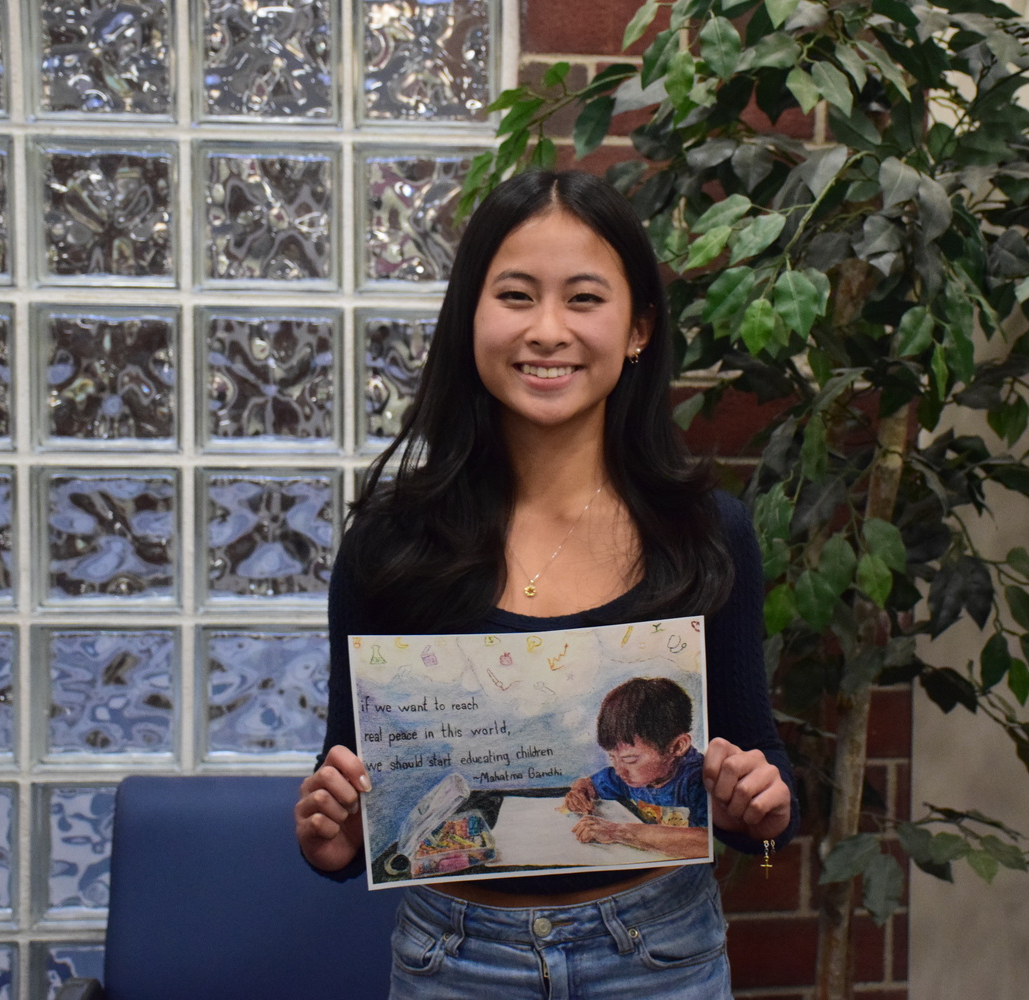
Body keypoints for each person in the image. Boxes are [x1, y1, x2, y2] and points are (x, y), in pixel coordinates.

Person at [294, 169, 797, 999]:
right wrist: (330, 835)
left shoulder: (707, 534)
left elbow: (764, 794)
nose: (549, 330)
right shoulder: (390, 545)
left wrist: (763, 812)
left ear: (637, 328)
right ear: (470, 321)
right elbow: (352, 796)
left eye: (585, 299)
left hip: (658, 955)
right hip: (453, 961)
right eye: (517, 295)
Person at [564, 676, 709, 859]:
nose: (619, 770)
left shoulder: (701, 780)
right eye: (612, 757)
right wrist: (580, 792)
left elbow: (708, 842)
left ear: (678, 747)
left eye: (630, 759)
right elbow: (588, 783)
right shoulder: (631, 776)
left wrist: (619, 832)